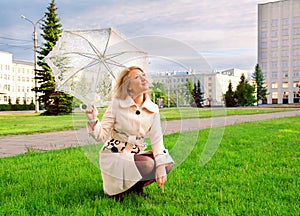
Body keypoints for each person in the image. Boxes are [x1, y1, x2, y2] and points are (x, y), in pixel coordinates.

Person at [86, 66, 174, 201]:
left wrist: (161, 166)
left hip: (135, 154)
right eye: (137, 77)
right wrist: (93, 119)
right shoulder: (117, 104)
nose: (143, 78)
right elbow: (101, 135)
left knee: (166, 163)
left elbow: (157, 141)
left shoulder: (153, 109)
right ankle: (116, 191)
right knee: (148, 164)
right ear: (129, 86)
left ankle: (135, 187)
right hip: (115, 154)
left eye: (143, 75)